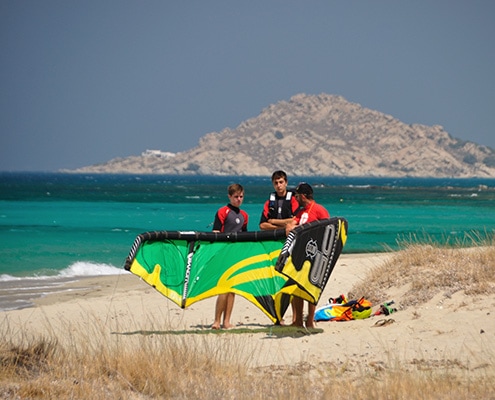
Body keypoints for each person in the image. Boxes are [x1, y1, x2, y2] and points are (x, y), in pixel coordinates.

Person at [285, 182, 330, 328]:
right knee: (297, 286)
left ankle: (310, 320)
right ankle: (298, 320)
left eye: (297, 196)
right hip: (300, 254)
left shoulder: (319, 210)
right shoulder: (301, 211)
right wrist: (292, 227)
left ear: (303, 196)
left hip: (314, 256)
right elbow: (291, 225)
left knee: (311, 288)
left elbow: (328, 232)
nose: (295, 198)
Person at [211, 183, 248, 329]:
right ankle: (216, 321)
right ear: (230, 197)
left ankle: (226, 321)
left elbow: (244, 236)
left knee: (232, 290)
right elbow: (215, 233)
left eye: (241, 197)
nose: (238, 199)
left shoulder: (244, 215)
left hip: (236, 255)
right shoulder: (222, 212)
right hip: (223, 254)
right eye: (236, 197)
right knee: (223, 288)